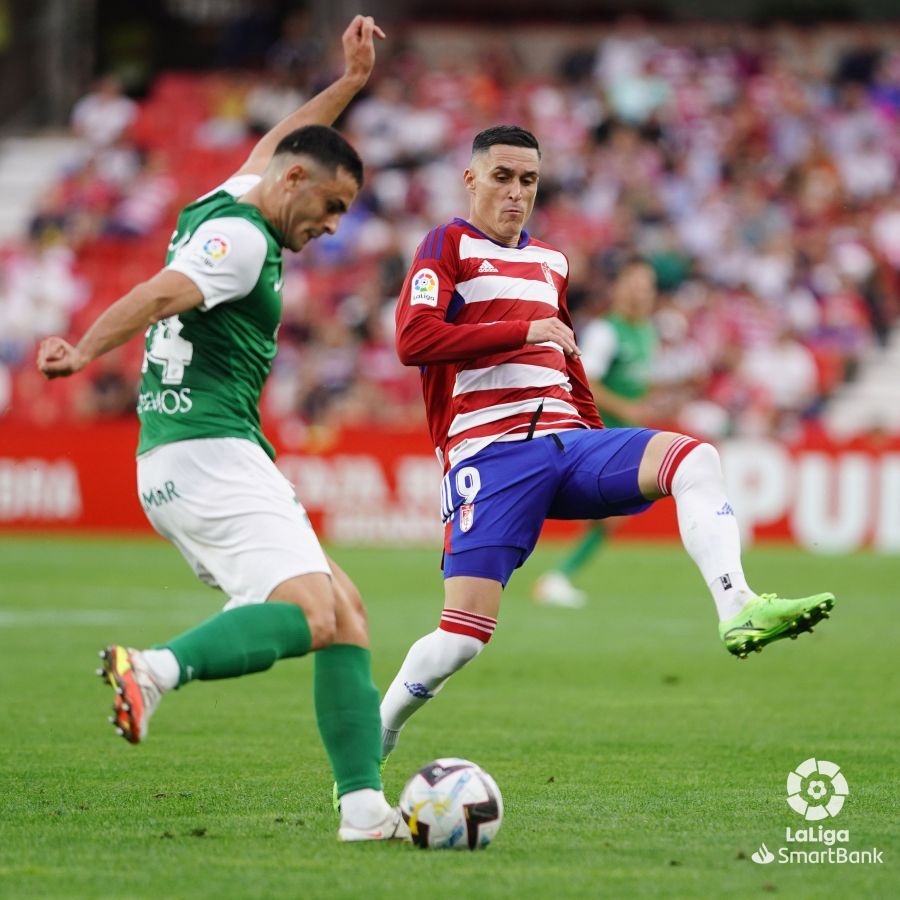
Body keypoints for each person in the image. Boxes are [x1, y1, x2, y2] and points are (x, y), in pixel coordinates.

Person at [37, 15, 409, 844]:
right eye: (331, 206)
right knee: (313, 611)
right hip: (209, 452)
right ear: (296, 182)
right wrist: (84, 349)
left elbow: (284, 138)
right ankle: (156, 670)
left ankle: (362, 811)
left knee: (344, 609)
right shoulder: (243, 241)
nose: (333, 226)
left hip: (189, 455)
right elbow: (165, 292)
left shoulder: (241, 193)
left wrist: (349, 83)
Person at [379, 124, 835, 765]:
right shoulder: (445, 245)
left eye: (529, 180)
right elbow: (414, 342)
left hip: (567, 442)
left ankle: (738, 606)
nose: (516, 192)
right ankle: (381, 730)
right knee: (462, 639)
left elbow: (565, 360)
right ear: (471, 178)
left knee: (694, 458)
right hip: (490, 455)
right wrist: (523, 328)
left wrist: (596, 436)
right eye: (503, 177)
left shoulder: (552, 262)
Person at [532, 257, 659, 608]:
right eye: (634, 286)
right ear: (619, 289)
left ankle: (557, 577)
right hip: (594, 431)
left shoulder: (648, 332)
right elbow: (586, 381)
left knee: (612, 515)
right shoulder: (607, 331)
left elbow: (637, 383)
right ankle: (555, 577)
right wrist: (627, 408)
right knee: (610, 512)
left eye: (646, 288)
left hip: (623, 433)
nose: (640, 294)